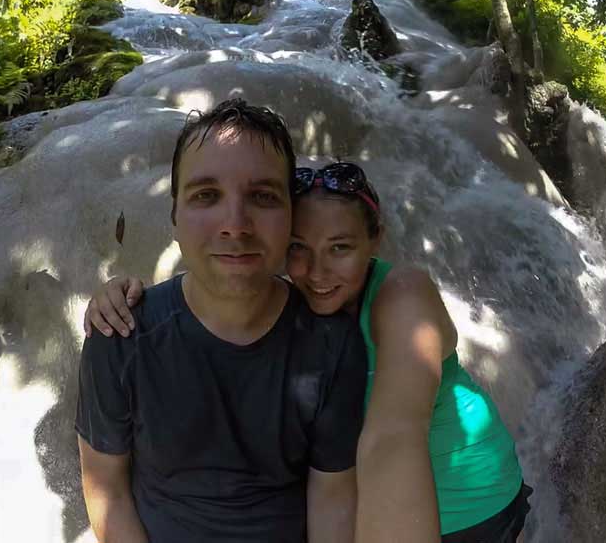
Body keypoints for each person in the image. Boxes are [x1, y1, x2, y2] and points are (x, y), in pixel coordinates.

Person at [86, 160, 533, 542]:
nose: (317, 272)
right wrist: (119, 295)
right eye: (299, 248)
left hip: (468, 505)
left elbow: (392, 438)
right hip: (371, 504)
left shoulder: (403, 295)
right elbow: (203, 294)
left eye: (340, 247)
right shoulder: (287, 299)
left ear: (375, 240)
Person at [75, 101, 367, 543]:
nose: (235, 225)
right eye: (206, 195)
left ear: (292, 216)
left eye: (263, 197)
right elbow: (106, 488)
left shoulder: (333, 344)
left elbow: (333, 497)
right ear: (174, 217)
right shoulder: (119, 336)